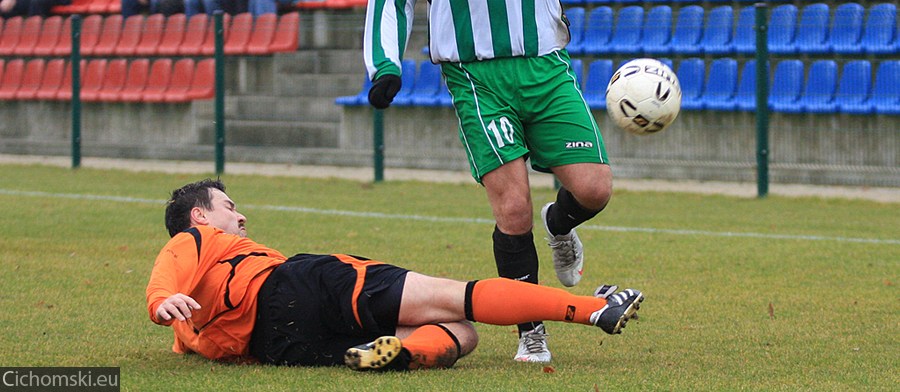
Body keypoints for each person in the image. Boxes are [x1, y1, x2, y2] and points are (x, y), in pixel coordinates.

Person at [363, 0, 723, 364]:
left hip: (547, 69)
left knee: (594, 189)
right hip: (477, 78)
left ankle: (561, 226)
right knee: (511, 210)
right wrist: (385, 65)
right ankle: (531, 330)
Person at [147, 178, 644, 369]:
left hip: (280, 345)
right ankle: (595, 308)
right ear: (199, 217)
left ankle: (402, 352)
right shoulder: (199, 240)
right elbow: (173, 262)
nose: (240, 217)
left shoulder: (189, 324)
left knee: (461, 335)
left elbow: (186, 328)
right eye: (229, 208)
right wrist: (160, 298)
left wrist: (173, 309)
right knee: (455, 297)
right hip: (296, 284)